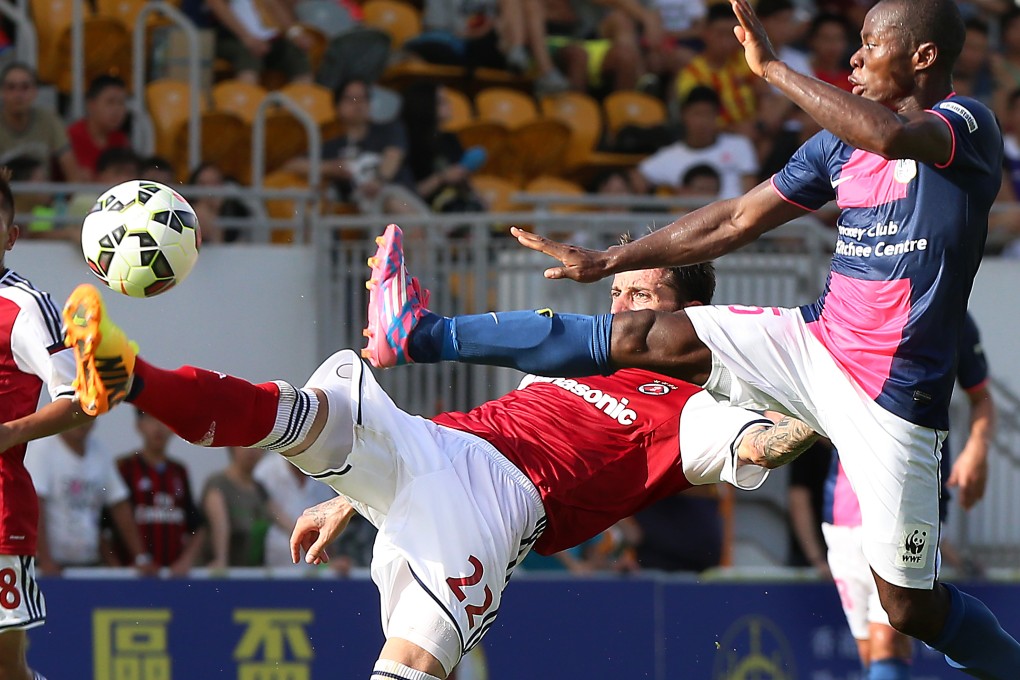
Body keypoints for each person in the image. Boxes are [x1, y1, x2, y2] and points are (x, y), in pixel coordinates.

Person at [360, 1, 1020, 676]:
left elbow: (888, 136)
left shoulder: (967, 126)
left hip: (894, 398)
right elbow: (734, 218)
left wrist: (773, 70)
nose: (853, 58)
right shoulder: (837, 144)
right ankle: (417, 332)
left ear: (923, 57)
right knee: (646, 333)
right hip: (814, 344)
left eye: (870, 44)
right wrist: (606, 262)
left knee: (907, 609)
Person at [59, 225, 820, 679]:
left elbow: (762, 442)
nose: (619, 305)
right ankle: (133, 377)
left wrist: (829, 407)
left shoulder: (693, 408)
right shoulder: (582, 358)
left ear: (689, 318)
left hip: (496, 503)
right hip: (432, 449)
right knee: (301, 414)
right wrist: (353, 491)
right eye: (620, 293)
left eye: (641, 298)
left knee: (416, 668)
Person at [823, 312, 996, 680]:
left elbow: (981, 398)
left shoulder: (951, 315)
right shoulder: (850, 308)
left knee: (891, 639)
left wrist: (976, 450)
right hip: (842, 514)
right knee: (872, 652)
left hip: (909, 504)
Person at [0, 167, 91, 680]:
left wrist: (11, 432)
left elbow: (82, 400)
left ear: (11, 236)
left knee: (6, 669)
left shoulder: (26, 307)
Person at [25, 419, 154, 574]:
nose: (82, 421)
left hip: (89, 563)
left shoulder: (100, 451)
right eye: (76, 414)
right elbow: (34, 505)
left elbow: (120, 506)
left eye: (88, 414)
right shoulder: (42, 449)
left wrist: (141, 558)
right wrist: (45, 560)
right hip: (50, 568)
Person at [109, 409, 205, 576]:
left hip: (171, 578)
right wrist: (117, 571)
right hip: (134, 578)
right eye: (151, 419)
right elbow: (104, 529)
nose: (158, 427)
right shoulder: (125, 468)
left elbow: (197, 527)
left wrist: (186, 561)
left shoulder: (179, 472)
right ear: (139, 425)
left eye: (164, 419)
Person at [0, 63, 86, 182]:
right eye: (11, 87)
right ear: (2, 92)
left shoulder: (49, 120)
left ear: (35, 91)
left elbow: (71, 170)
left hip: (42, 198)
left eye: (25, 87)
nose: (18, 95)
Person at [201, 446, 278, 569]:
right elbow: (220, 526)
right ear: (232, 447)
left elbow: (283, 519)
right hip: (224, 574)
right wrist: (221, 559)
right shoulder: (218, 484)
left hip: (252, 574)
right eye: (245, 445)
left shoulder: (259, 489)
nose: (251, 451)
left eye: (258, 445)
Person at [66, 75, 131, 179]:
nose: (117, 110)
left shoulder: (121, 140)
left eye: (121, 103)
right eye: (110, 102)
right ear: (91, 105)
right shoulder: (70, 137)